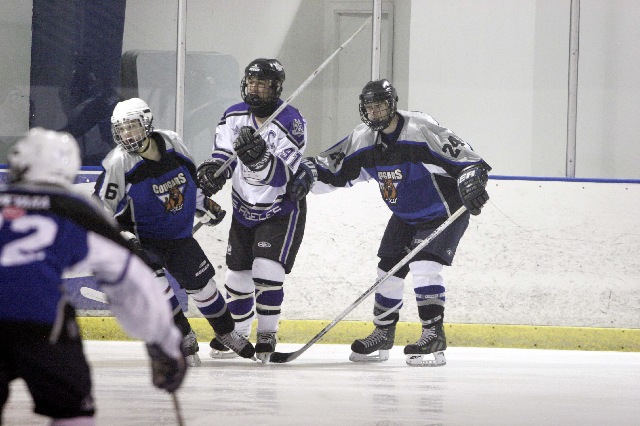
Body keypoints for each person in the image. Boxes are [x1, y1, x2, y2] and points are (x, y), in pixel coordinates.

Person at [294, 79, 491, 366]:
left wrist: (472, 178)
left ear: (392, 105)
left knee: (424, 266)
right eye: (369, 107)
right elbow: (335, 167)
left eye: (380, 106)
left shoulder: (420, 129)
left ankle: (433, 334)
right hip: (405, 216)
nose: (375, 112)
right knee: (386, 271)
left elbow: (467, 159)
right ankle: (383, 333)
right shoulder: (363, 138)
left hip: (444, 211)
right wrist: (307, 173)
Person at [0, 128, 186, 425]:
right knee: (73, 412)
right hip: (42, 324)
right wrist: (163, 341)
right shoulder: (74, 208)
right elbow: (131, 278)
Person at [93, 98, 256, 365]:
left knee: (204, 288)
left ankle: (226, 332)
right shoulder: (118, 163)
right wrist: (120, 237)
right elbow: (100, 210)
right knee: (156, 287)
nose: (127, 135)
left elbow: (190, 182)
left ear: (147, 123)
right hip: (141, 240)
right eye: (121, 129)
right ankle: (183, 336)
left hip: (177, 235)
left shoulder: (172, 142)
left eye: (132, 126)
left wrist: (203, 206)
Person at [196, 58, 310, 363]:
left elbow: (284, 175)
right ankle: (240, 332)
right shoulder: (233, 115)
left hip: (280, 208)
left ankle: (267, 334)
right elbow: (222, 156)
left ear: (275, 87)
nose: (254, 88)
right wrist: (212, 174)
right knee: (236, 277)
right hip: (244, 207)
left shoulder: (291, 121)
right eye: (250, 82)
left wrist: (261, 160)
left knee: (267, 270)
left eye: (261, 83)